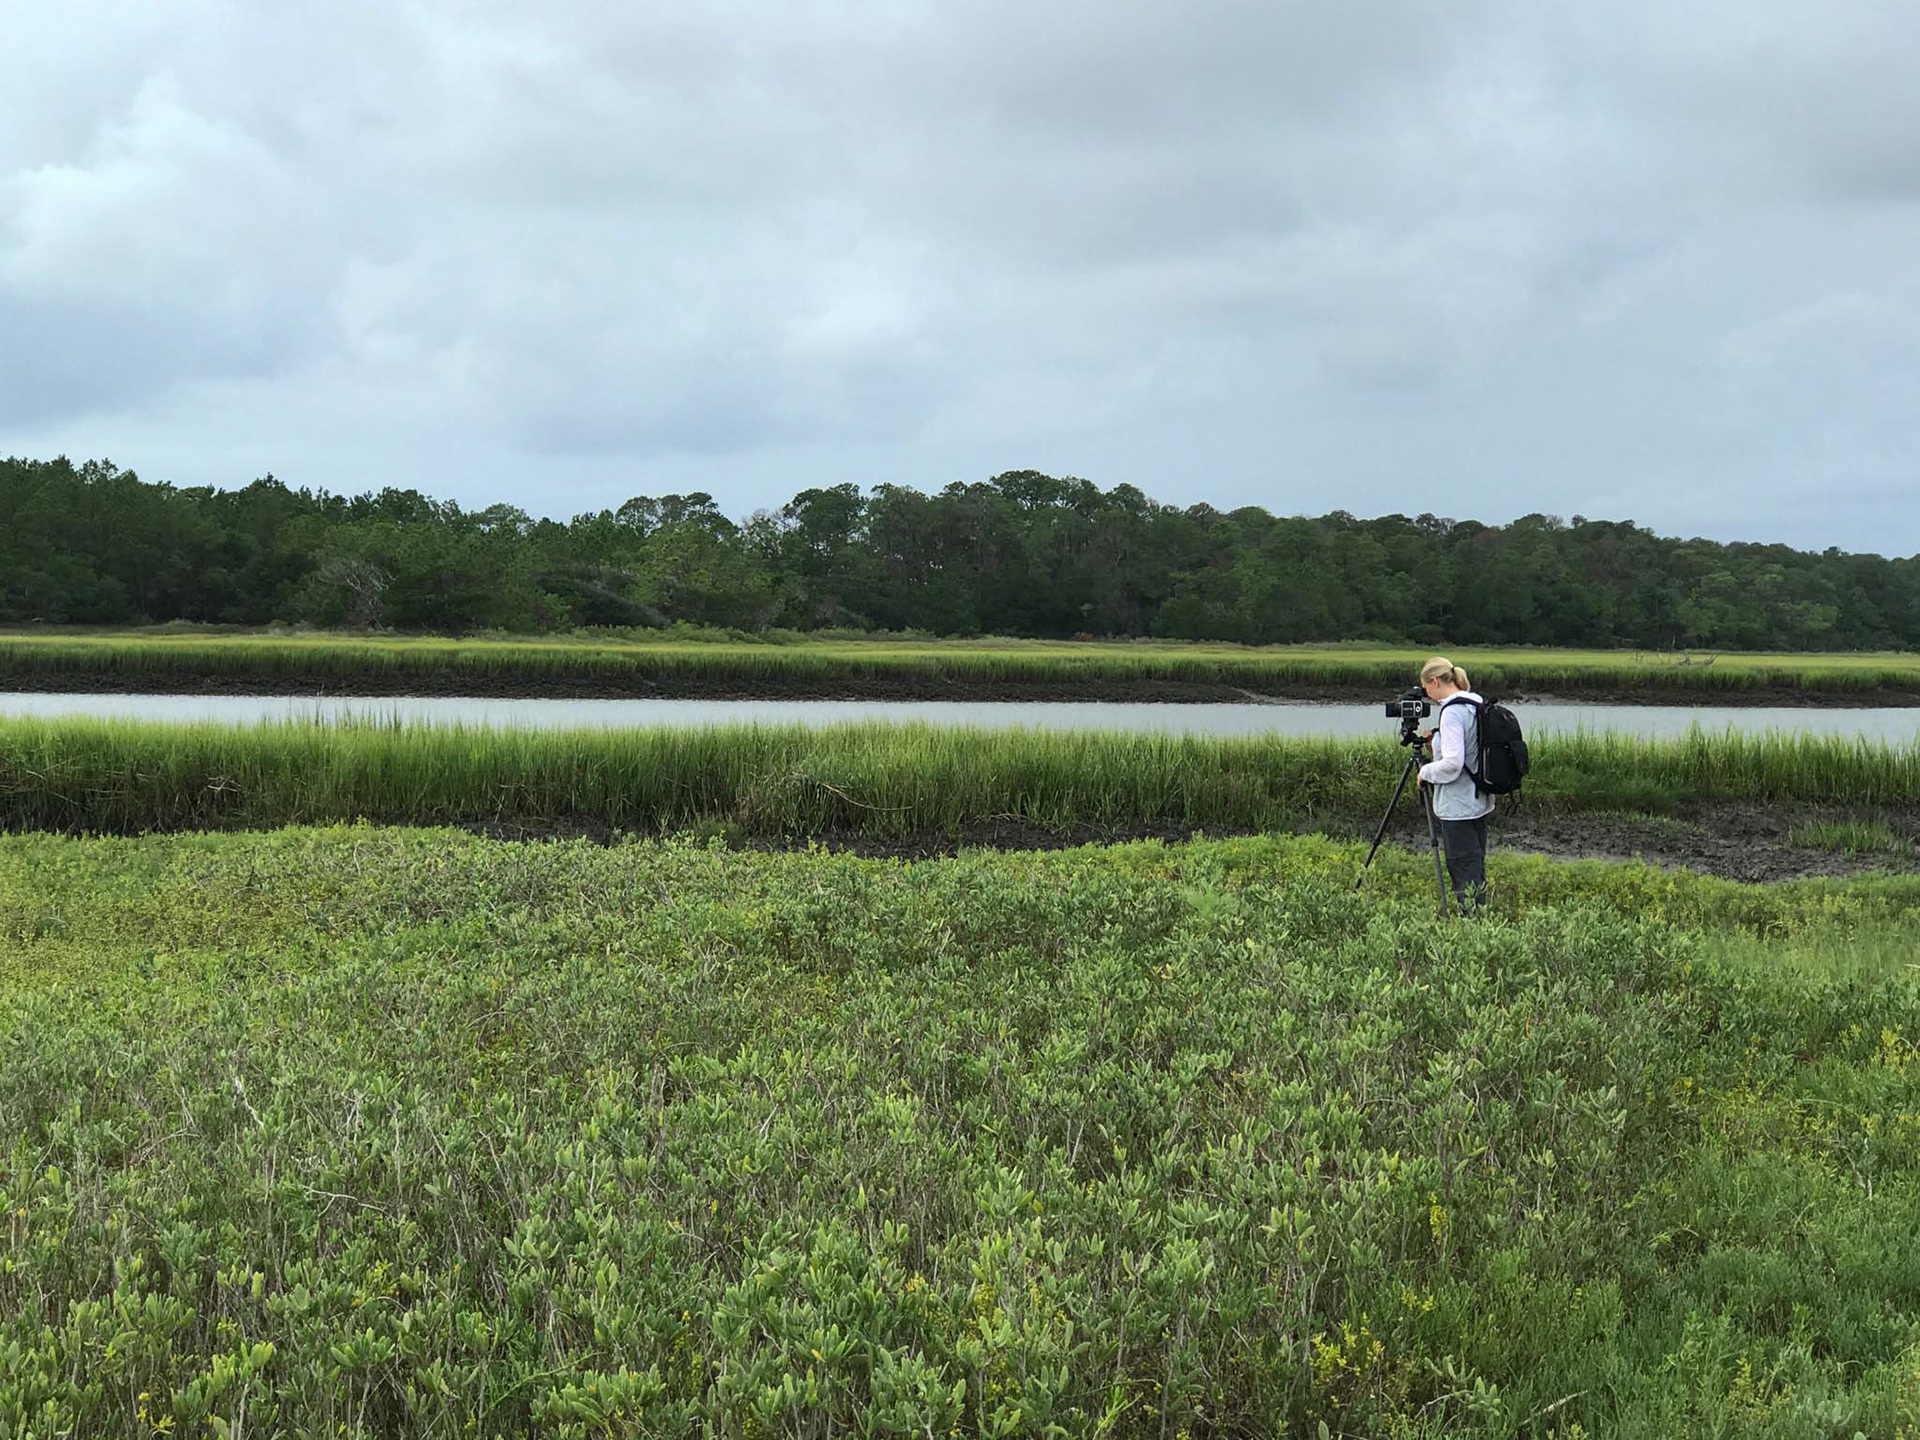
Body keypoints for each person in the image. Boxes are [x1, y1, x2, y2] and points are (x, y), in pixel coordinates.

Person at [1416, 656, 1492, 913]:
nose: (1427, 696)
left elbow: (1453, 764)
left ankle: (1471, 921)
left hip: (1458, 806)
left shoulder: (1451, 711)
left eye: (1426, 689)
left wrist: (1425, 771)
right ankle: (1479, 917)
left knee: (1463, 866)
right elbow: (1471, 748)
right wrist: (1436, 741)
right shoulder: (1475, 701)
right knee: (1475, 864)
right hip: (1479, 799)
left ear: (1435, 681)